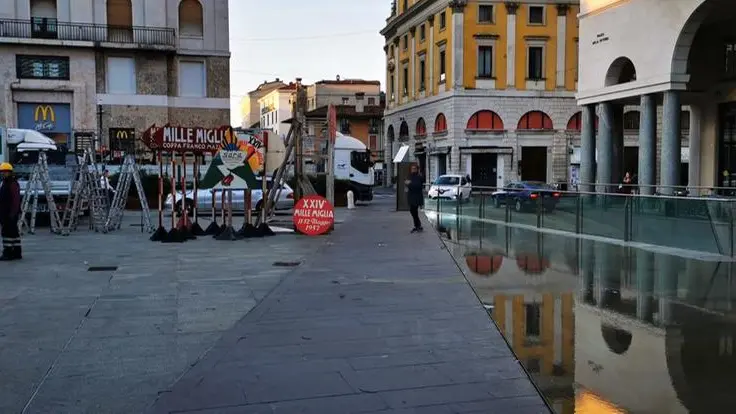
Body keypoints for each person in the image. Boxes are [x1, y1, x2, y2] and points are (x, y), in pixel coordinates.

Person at [0, 162, 22, 260]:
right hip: (6, 213)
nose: (3, 174)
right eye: (2, 172)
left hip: (9, 213)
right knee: (13, 233)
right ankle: (16, 252)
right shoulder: (5, 183)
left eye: (5, 172)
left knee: (7, 233)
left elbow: (15, 200)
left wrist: (13, 213)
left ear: (10, 172)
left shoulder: (12, 183)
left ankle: (8, 252)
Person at [404, 163, 424, 233]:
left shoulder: (419, 176)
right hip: (411, 196)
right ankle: (418, 225)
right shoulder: (410, 176)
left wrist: (409, 184)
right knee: (413, 212)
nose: (413, 170)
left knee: (413, 211)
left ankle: (418, 225)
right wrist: (407, 185)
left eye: (414, 169)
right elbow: (407, 183)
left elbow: (418, 186)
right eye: (412, 169)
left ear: (417, 169)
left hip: (417, 196)